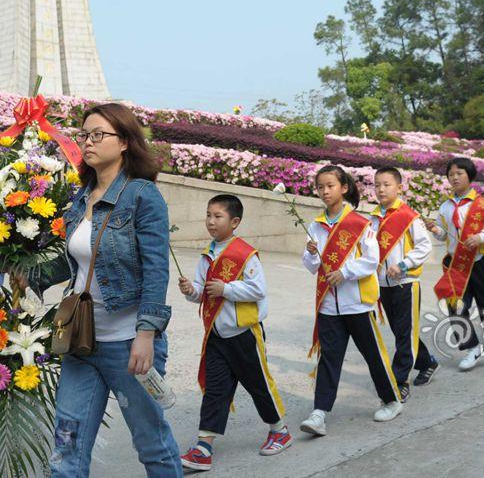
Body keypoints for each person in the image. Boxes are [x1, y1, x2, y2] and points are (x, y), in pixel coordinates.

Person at [48, 103, 182, 477]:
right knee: (66, 446)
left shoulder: (141, 195)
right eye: (84, 135)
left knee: (151, 445)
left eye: (98, 135)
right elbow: (75, 261)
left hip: (128, 345)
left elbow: (156, 269)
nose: (87, 142)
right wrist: (26, 275)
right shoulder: (81, 198)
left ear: (124, 142)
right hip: (81, 342)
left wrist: (146, 334)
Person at [178, 195, 291, 471]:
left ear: (235, 222)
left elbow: (258, 289)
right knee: (215, 390)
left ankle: (279, 430)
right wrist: (191, 291)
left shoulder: (245, 254)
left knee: (258, 385)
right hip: (216, 336)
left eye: (218, 216)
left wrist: (226, 289)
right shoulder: (207, 254)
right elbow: (203, 292)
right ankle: (204, 447)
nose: (211, 221)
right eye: (208, 215)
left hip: (244, 334)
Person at [300, 165, 402, 437]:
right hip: (328, 305)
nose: (325, 191)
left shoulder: (359, 224)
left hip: (357, 304)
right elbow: (310, 266)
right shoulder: (315, 226)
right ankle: (319, 412)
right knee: (328, 359)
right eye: (320, 187)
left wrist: (344, 272)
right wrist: (311, 253)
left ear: (344, 188)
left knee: (373, 355)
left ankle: (391, 400)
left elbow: (371, 260)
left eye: (330, 186)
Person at [427, 157, 484, 372]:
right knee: (455, 307)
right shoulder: (445, 206)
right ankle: (472, 347)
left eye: (459, 173)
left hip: (480, 263)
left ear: (469, 176)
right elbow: (445, 235)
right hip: (457, 265)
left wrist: (480, 237)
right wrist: (435, 230)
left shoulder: (483, 204)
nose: (454, 177)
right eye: (451, 174)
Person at [371, 167, 437, 399]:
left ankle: (399, 380)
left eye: (386, 184)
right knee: (402, 331)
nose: (381, 189)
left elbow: (424, 246)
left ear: (399, 188)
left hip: (406, 283)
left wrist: (404, 264)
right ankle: (427, 362)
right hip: (383, 284)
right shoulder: (374, 218)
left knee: (404, 333)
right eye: (377, 185)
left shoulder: (409, 216)